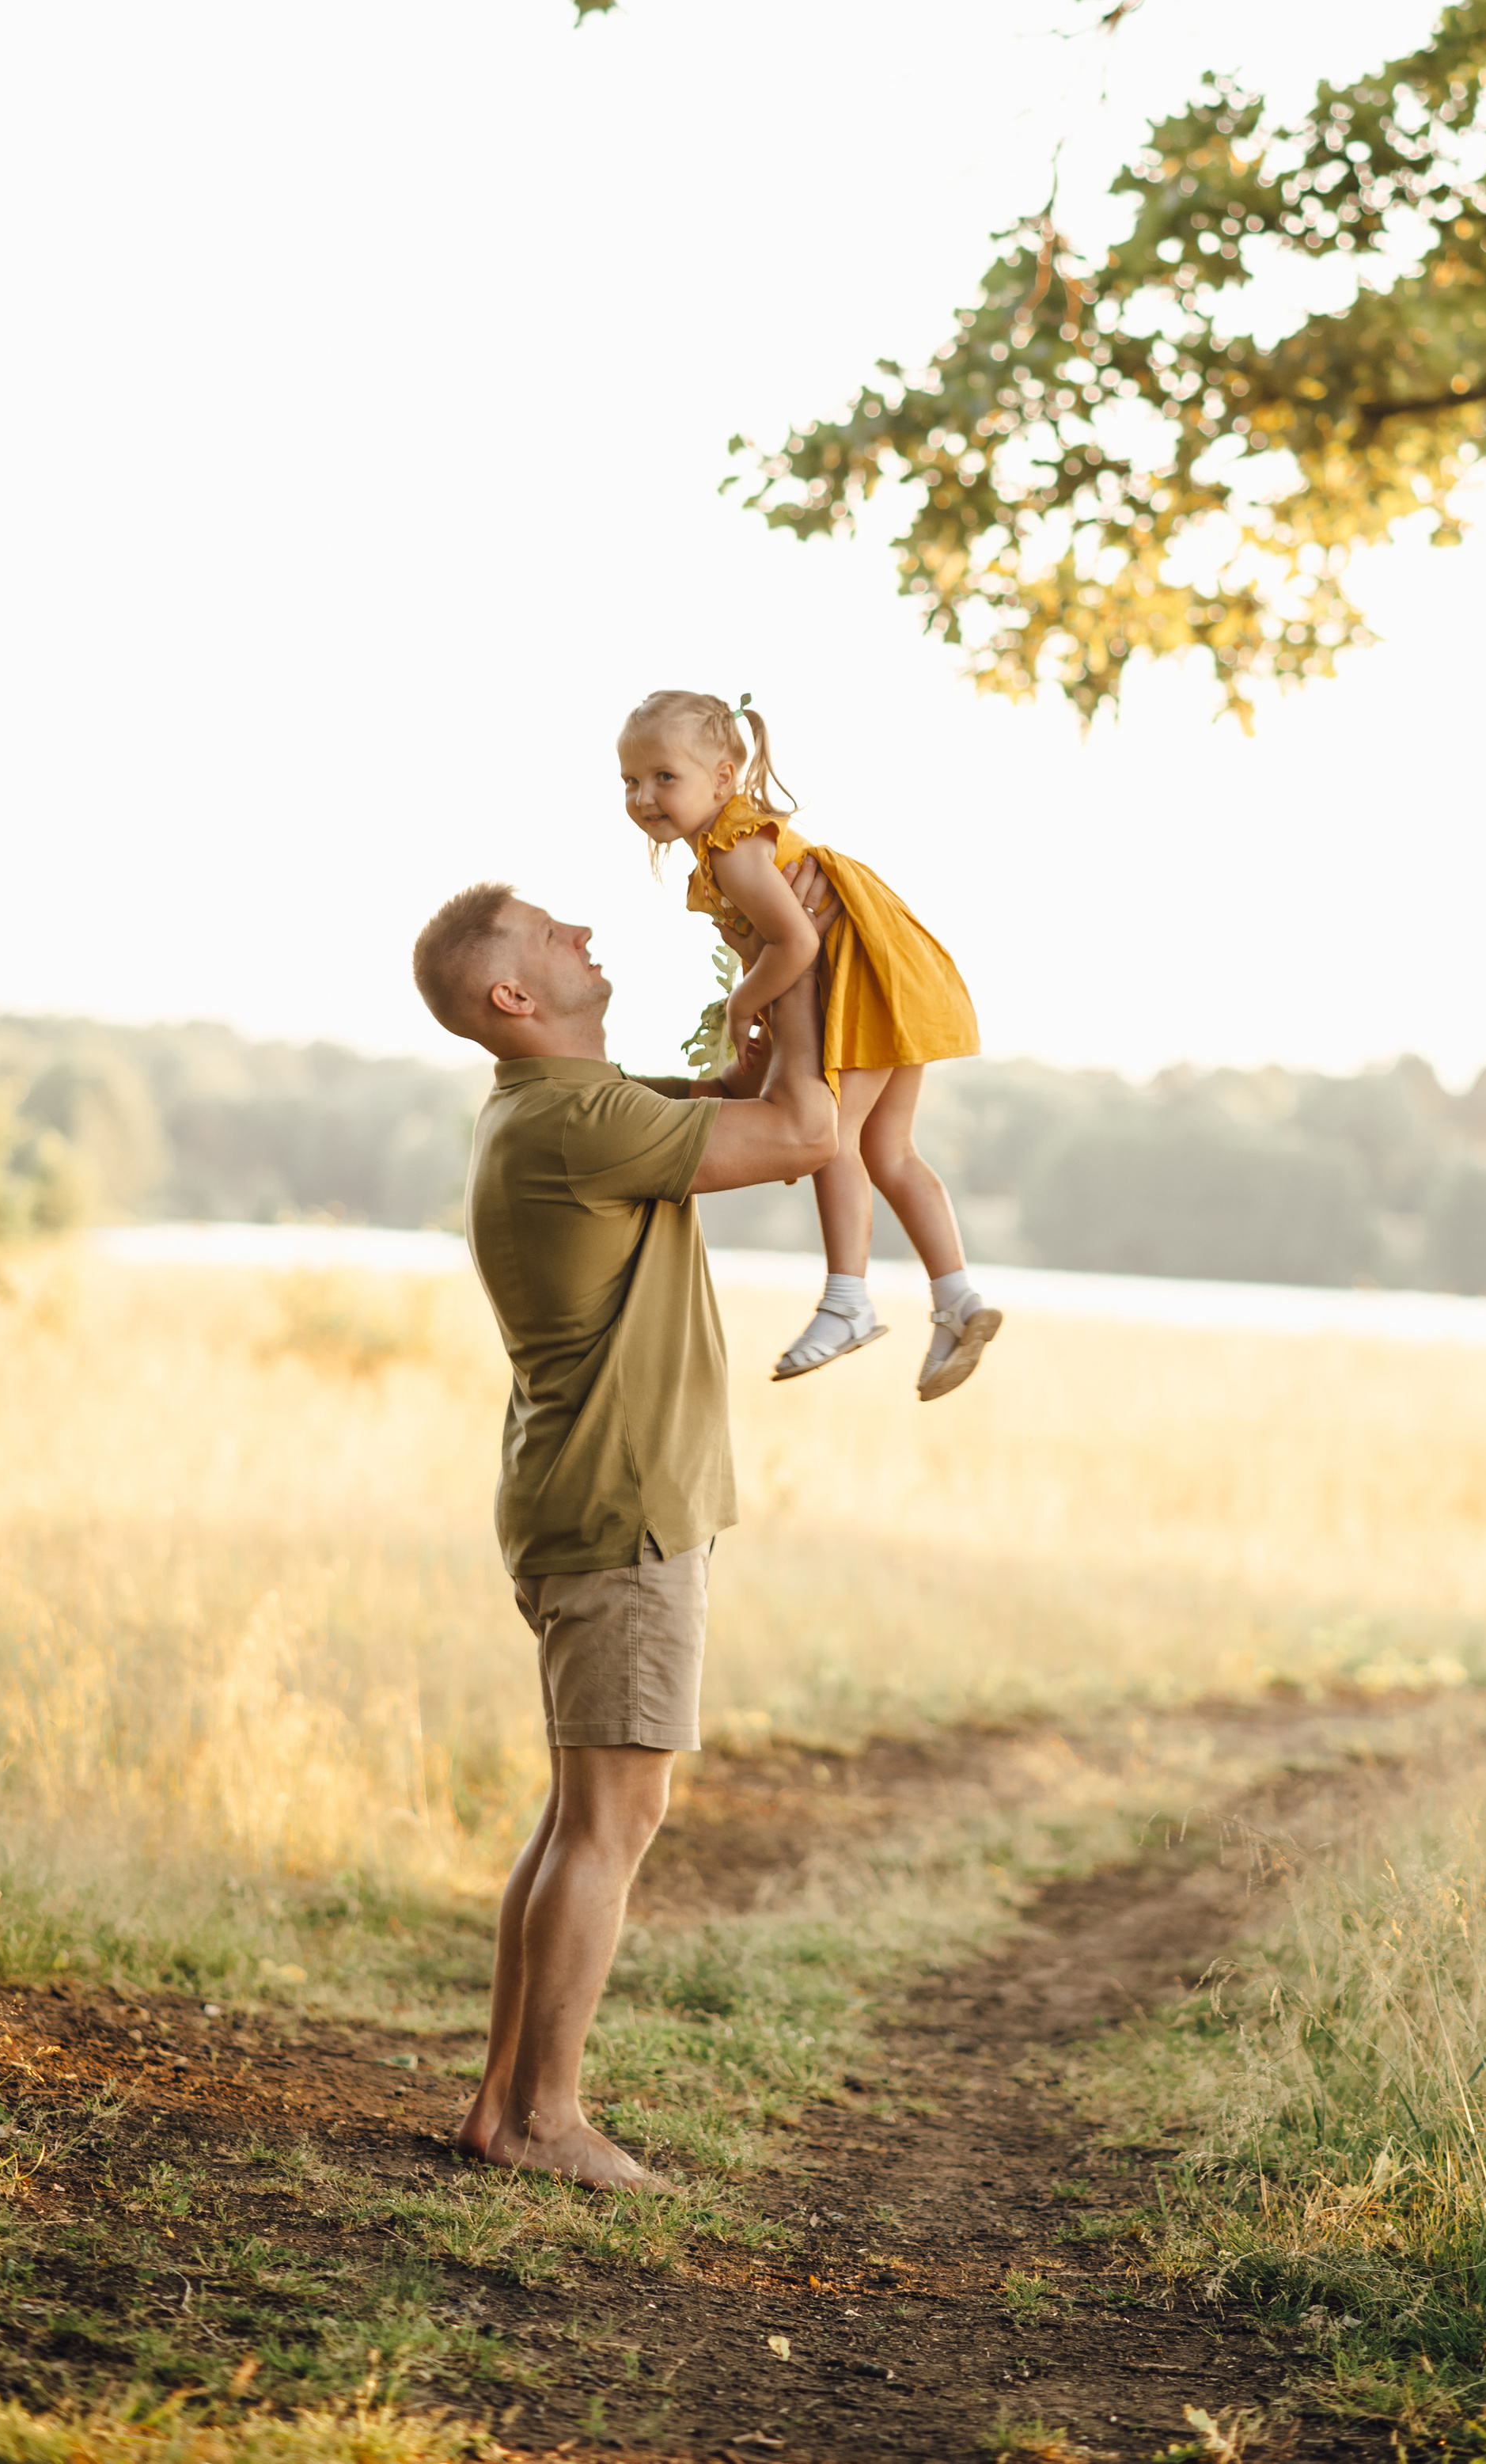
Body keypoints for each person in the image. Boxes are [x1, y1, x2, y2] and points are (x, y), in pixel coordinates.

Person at [409, 871, 838, 2191]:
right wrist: (805, 948)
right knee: (614, 1814)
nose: (585, 929)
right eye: (552, 931)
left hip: (591, 1498)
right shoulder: (575, 1120)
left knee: (577, 1813)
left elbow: (747, 1081)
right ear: (515, 995)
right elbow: (809, 1129)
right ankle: (548, 2120)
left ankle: (504, 2104)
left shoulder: (567, 1108)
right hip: (619, 1509)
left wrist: (765, 953)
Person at [616, 685, 1002, 1402]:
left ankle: (848, 1302)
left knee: (834, 1138)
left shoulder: (734, 848)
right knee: (890, 1150)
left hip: (862, 979)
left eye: (664, 777)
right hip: (892, 974)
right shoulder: (730, 843)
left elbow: (793, 941)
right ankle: (958, 1299)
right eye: (630, 782)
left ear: (723, 778)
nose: (644, 797)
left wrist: (742, 1002)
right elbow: (775, 945)